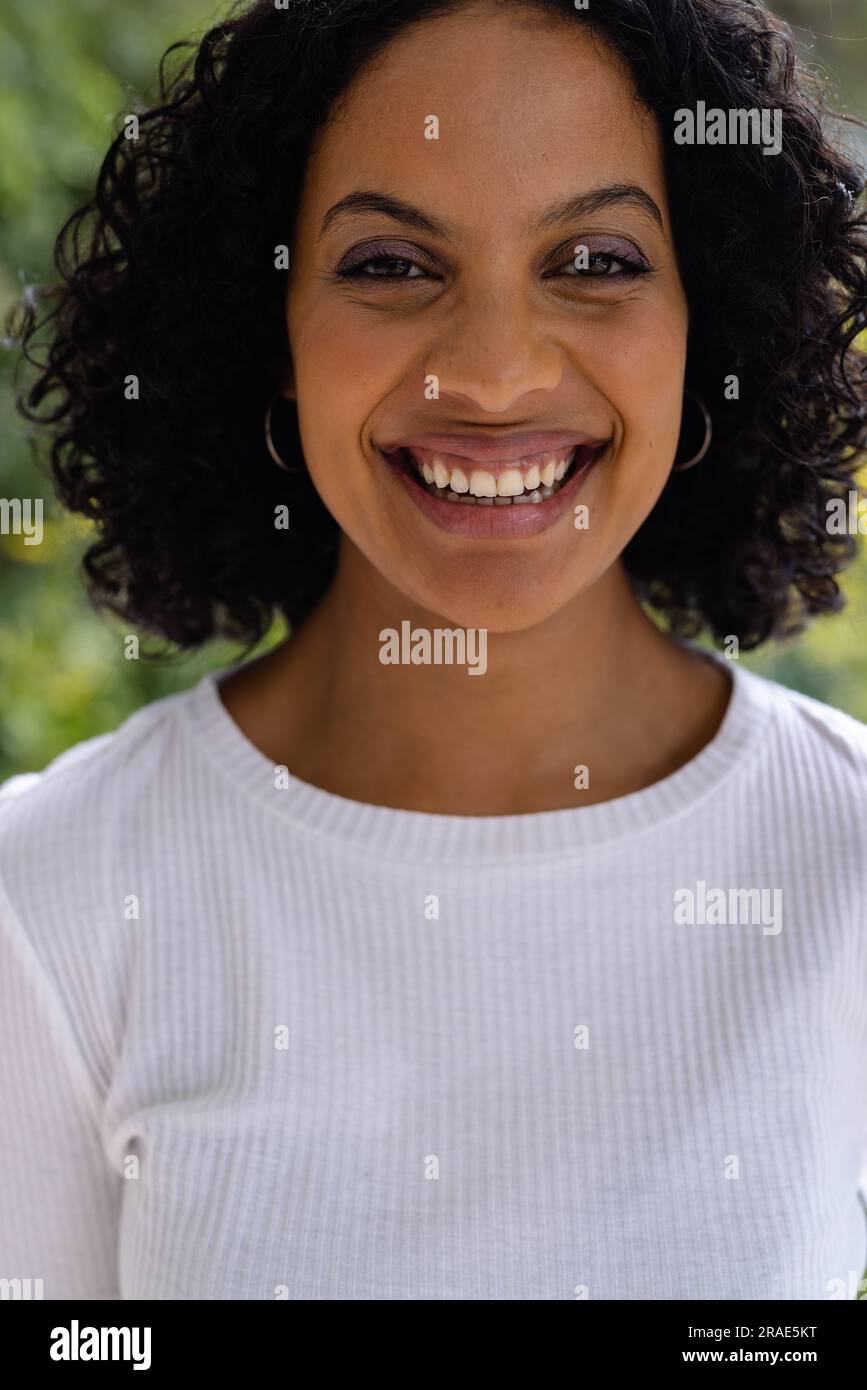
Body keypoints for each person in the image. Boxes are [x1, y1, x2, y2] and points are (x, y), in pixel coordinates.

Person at [1, 0, 866, 1300]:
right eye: (392, 265)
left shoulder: (847, 861)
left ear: (713, 319)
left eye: (599, 258)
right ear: (267, 327)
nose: (498, 370)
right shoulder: (53, 899)